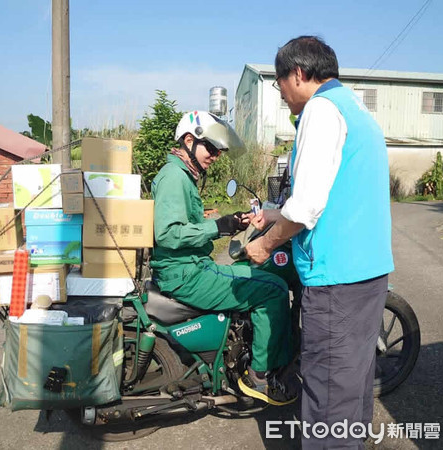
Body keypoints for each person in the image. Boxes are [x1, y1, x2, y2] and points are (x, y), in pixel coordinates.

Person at [245, 36, 394, 448]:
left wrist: (263, 243)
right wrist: (276, 213)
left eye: (280, 86)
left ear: (297, 73)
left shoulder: (320, 110)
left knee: (327, 399)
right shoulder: (354, 107)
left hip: (336, 279)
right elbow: (333, 192)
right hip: (367, 272)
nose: (282, 96)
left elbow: (307, 206)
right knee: (352, 388)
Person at [150, 110, 296, 405]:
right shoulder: (174, 178)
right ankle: (259, 376)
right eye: (211, 148)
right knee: (273, 291)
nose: (215, 156)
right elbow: (167, 234)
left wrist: (228, 222)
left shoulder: (183, 177)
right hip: (186, 274)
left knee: (257, 276)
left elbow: (185, 224)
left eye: (218, 151)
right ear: (189, 141)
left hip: (191, 267)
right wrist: (218, 227)